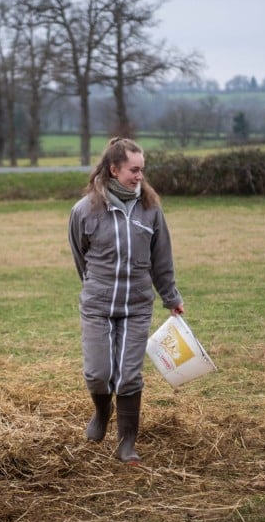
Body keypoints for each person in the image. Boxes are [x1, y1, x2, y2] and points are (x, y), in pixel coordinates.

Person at [68, 137, 185, 463]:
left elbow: (162, 258)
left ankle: (126, 443)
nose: (139, 176)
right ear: (113, 169)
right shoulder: (84, 210)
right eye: (133, 170)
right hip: (97, 306)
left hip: (136, 306)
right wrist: (96, 286)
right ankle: (101, 415)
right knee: (98, 373)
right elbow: (81, 257)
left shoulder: (151, 210)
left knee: (129, 376)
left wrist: (170, 297)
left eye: (142, 170)